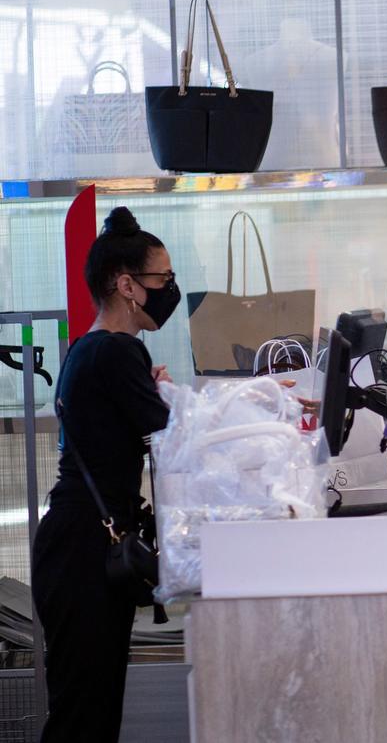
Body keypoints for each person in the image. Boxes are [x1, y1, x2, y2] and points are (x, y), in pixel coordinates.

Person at [31, 207, 180, 742]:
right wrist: (259, 401)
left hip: (79, 544)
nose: (170, 289)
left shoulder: (96, 349)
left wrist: (149, 384)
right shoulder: (115, 352)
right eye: (162, 279)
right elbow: (177, 429)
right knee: (83, 719)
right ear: (127, 285)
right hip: (83, 553)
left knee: (89, 712)